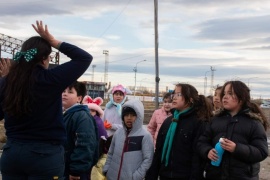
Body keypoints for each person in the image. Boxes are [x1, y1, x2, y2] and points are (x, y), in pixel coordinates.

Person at [0, 21, 92, 179]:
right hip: (44, 156)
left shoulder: (7, 81)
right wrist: (53, 41)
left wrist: (5, 82)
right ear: (44, 59)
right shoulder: (50, 78)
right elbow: (84, 58)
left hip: (12, 153)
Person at [197, 80, 269, 180]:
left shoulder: (254, 123)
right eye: (224, 93)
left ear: (242, 97)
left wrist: (237, 148)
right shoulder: (215, 120)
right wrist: (207, 151)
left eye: (230, 93)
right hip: (215, 175)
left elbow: (262, 152)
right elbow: (202, 142)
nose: (225, 97)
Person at [146, 83, 212, 180]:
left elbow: (197, 157)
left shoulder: (198, 122)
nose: (174, 98)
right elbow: (158, 152)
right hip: (165, 175)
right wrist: (151, 176)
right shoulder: (169, 121)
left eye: (179, 94)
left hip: (185, 176)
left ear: (190, 99)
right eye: (174, 94)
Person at [103, 99, 154, 180]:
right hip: (111, 177)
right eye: (126, 115)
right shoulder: (118, 133)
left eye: (132, 115)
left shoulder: (145, 136)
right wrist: (106, 170)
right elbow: (110, 153)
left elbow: (148, 160)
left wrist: (137, 176)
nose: (129, 118)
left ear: (139, 116)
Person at [62, 81, 99, 180]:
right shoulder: (67, 114)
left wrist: (76, 171)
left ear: (79, 98)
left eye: (70, 92)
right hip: (65, 168)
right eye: (63, 91)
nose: (64, 94)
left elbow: (85, 145)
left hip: (74, 172)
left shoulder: (81, 116)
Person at [82, 95, 108, 180]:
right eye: (88, 110)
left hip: (94, 154)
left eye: (92, 110)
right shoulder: (88, 120)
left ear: (96, 112)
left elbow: (101, 140)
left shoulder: (97, 122)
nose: (90, 112)